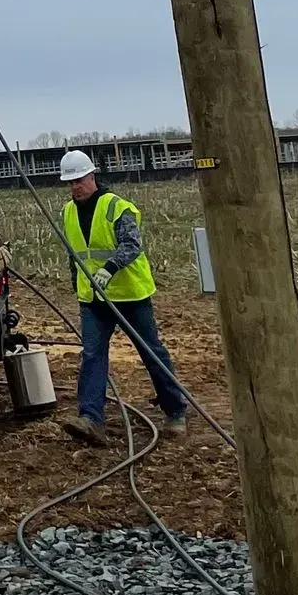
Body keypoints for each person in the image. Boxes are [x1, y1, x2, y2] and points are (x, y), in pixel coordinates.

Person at [56, 148, 189, 446]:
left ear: (92, 176)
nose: (75, 186)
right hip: (93, 299)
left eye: (79, 180)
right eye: (71, 182)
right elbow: (74, 255)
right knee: (92, 355)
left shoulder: (118, 207)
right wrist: (76, 282)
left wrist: (110, 268)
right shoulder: (67, 213)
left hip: (130, 296)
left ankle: (176, 411)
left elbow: (131, 244)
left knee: (151, 351)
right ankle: (91, 419)